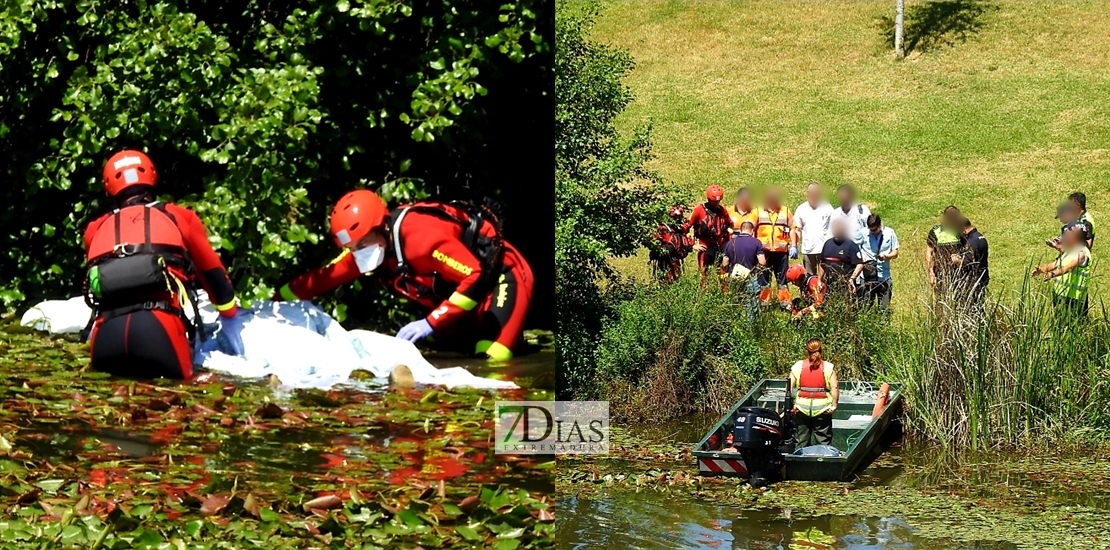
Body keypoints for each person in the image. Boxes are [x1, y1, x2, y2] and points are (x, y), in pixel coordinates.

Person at [274, 190, 532, 361]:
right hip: (460, 298)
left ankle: (519, 439)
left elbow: (476, 276)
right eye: (351, 249)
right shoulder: (369, 247)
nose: (357, 254)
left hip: (501, 277)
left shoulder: (421, 240)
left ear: (382, 227)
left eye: (361, 245)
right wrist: (273, 303)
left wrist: (430, 323)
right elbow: (320, 279)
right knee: (447, 359)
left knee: (490, 362)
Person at [83, 150, 246, 379]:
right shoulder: (180, 217)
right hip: (160, 330)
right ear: (151, 176)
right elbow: (215, 278)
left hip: (106, 337)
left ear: (109, 187)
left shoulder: (94, 229)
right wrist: (230, 315)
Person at [1033, 223, 1093, 317]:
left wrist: (1052, 274)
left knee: (1075, 323)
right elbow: (1055, 264)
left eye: (1068, 234)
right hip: (1061, 293)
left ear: (1077, 237)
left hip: (1074, 297)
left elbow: (1068, 268)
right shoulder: (1069, 250)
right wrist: (1041, 270)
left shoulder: (1082, 254)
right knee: (1059, 321)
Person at [790, 338, 839, 449]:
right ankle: (823, 463)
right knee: (823, 442)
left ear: (807, 351)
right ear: (821, 351)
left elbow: (788, 387)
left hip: (801, 409)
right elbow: (834, 387)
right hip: (823, 410)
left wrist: (792, 405)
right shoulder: (828, 367)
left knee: (801, 441)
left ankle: (800, 463)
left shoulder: (798, 366)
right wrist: (834, 405)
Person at [754, 187, 794, 307]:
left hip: (781, 253)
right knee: (764, 279)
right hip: (763, 252)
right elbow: (751, 228)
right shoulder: (758, 211)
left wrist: (794, 245)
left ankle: (785, 304)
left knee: (782, 280)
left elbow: (794, 228)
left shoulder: (785, 211)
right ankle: (765, 304)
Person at [683, 185, 732, 276]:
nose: (716, 203)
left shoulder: (722, 210)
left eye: (718, 201)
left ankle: (724, 290)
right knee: (704, 275)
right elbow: (685, 228)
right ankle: (704, 290)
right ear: (709, 199)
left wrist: (727, 244)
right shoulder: (698, 210)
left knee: (723, 273)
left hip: (720, 246)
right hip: (704, 247)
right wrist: (692, 244)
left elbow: (730, 226)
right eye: (714, 202)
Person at [721, 221, 766, 320]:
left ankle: (734, 328)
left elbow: (725, 263)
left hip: (735, 277)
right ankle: (752, 332)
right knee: (752, 309)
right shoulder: (756, 242)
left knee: (734, 306)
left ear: (740, 230)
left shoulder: (730, 243)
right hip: (750, 278)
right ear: (752, 231)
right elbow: (762, 262)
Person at [859, 214, 899, 311]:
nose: (873, 232)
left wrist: (886, 256)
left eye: (875, 230)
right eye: (870, 230)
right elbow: (854, 248)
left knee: (884, 308)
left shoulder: (890, 232)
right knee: (866, 307)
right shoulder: (862, 233)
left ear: (880, 225)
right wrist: (861, 257)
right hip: (868, 276)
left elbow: (895, 252)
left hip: (884, 276)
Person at [791, 182, 833, 275]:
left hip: (825, 249)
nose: (813, 195)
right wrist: (795, 245)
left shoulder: (827, 207)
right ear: (807, 193)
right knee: (809, 277)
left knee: (825, 277)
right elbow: (797, 229)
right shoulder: (801, 209)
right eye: (811, 192)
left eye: (815, 192)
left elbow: (833, 226)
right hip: (808, 249)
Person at [818, 218, 864, 297]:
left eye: (839, 229)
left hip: (845, 287)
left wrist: (852, 279)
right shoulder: (827, 244)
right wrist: (819, 280)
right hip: (829, 287)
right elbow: (822, 263)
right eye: (835, 229)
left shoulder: (851, 245)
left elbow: (860, 264)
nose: (837, 231)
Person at [926, 206, 966, 292]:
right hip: (941, 273)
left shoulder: (961, 230)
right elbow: (929, 252)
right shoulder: (935, 231)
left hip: (959, 273)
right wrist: (931, 273)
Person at [650, 205, 694, 283]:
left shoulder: (682, 228)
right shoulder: (663, 228)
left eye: (678, 217)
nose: (676, 220)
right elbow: (654, 241)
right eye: (675, 217)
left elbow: (688, 240)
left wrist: (691, 246)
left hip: (676, 258)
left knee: (676, 277)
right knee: (666, 279)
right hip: (664, 260)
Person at [953, 217, 989, 301]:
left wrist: (957, 260)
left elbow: (968, 263)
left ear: (963, 228)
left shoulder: (971, 242)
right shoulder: (980, 236)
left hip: (974, 278)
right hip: (982, 275)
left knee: (972, 304)